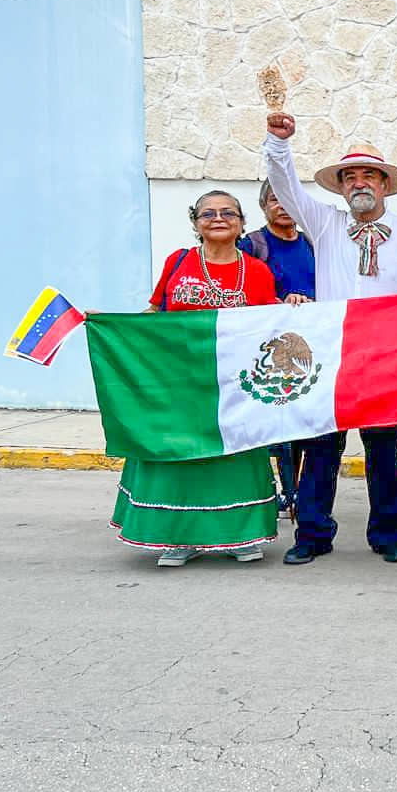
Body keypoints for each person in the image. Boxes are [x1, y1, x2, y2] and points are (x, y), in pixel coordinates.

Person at [263, 113, 397, 566]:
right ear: (342, 188)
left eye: (368, 175)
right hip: (332, 357)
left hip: (383, 360)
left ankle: (389, 534)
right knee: (321, 448)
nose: (359, 183)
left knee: (384, 450)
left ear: (384, 184)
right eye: (350, 177)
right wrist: (278, 143)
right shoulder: (324, 223)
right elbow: (285, 186)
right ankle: (312, 534)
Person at [114, 190, 280, 566]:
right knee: (179, 456)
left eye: (228, 213)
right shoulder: (178, 261)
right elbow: (155, 313)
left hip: (233, 386)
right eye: (208, 213)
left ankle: (240, 536)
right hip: (178, 381)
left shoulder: (257, 271)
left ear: (242, 223)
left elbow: (268, 327)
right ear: (195, 222)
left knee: (233, 459)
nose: (218, 218)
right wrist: (114, 327)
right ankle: (176, 537)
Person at [238, 180, 317, 520]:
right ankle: (285, 492)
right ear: (263, 206)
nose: (281, 205)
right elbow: (239, 288)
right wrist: (280, 303)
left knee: (302, 425)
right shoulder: (252, 245)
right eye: (274, 199)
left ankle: (296, 491)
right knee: (278, 423)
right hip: (268, 348)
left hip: (310, 344)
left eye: (287, 199)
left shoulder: (313, 243)